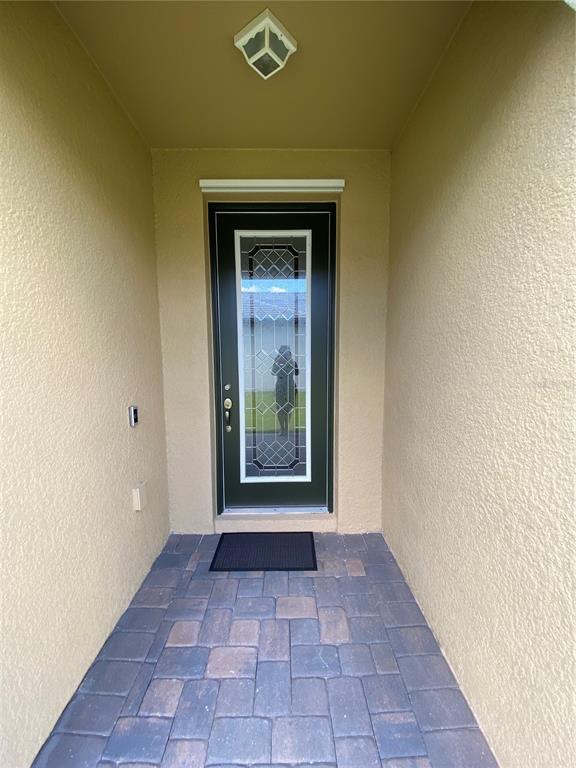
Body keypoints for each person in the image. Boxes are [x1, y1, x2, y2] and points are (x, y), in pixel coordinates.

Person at [271, 345, 299, 437]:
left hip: (290, 386)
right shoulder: (277, 362)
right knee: (279, 409)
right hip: (280, 386)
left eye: (286, 352)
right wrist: (276, 362)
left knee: (289, 408)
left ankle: (286, 428)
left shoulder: (292, 362)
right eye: (282, 352)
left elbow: (297, 373)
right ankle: (282, 428)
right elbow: (273, 372)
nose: (283, 354)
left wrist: (291, 362)